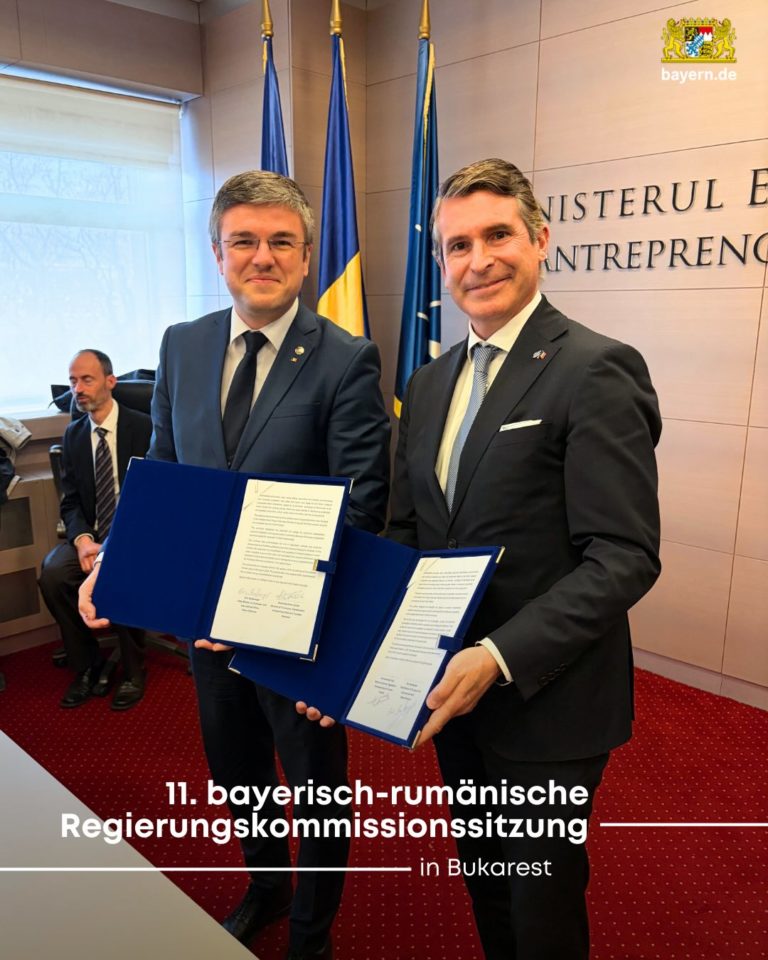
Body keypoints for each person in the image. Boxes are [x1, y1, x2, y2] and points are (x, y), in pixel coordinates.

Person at [79, 171, 390, 960]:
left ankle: (312, 933)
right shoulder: (181, 344)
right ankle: (268, 887)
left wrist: (264, 608)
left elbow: (361, 504)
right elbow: (163, 473)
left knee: (315, 787)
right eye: (243, 241)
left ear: (307, 255)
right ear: (217, 253)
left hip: (296, 632)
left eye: (281, 241)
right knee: (239, 773)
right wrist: (116, 564)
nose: (262, 257)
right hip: (204, 629)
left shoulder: (346, 358)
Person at [387, 158, 662, 959]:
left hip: (549, 700)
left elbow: (623, 556)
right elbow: (409, 533)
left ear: (540, 239)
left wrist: (499, 656)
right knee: (486, 879)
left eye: (498, 235)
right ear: (441, 263)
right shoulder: (427, 384)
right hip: (451, 694)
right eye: (458, 245)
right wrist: (352, 650)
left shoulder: (595, 367)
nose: (478, 261)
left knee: (541, 903)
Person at [39, 349, 152, 711]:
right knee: (53, 574)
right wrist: (83, 540)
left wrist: (113, 545)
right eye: (73, 381)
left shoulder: (145, 428)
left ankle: (134, 671)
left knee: (118, 571)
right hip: (93, 535)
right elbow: (70, 501)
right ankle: (87, 665)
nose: (78, 389)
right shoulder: (74, 435)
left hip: (134, 535)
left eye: (87, 379)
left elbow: (154, 497)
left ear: (111, 381)